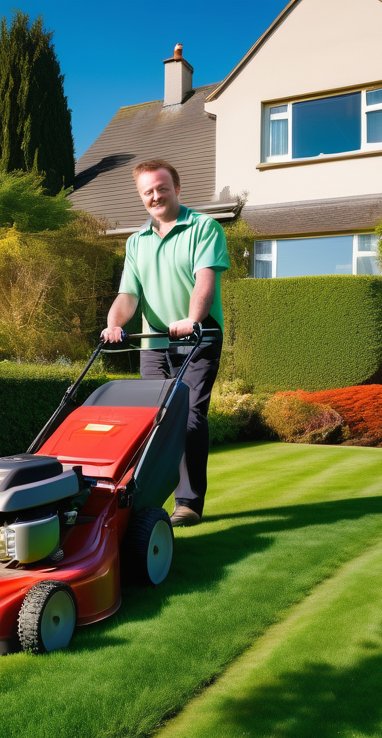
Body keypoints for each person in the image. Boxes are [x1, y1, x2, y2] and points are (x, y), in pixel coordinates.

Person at [101, 159, 229, 527]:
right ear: (140, 196)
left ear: (177, 187)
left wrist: (192, 319)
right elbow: (128, 294)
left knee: (188, 417)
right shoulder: (136, 241)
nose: (155, 196)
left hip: (199, 338)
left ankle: (188, 503)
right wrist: (113, 324)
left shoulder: (204, 228)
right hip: (153, 343)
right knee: (153, 421)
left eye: (161, 188)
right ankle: (145, 498)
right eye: (147, 192)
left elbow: (204, 281)